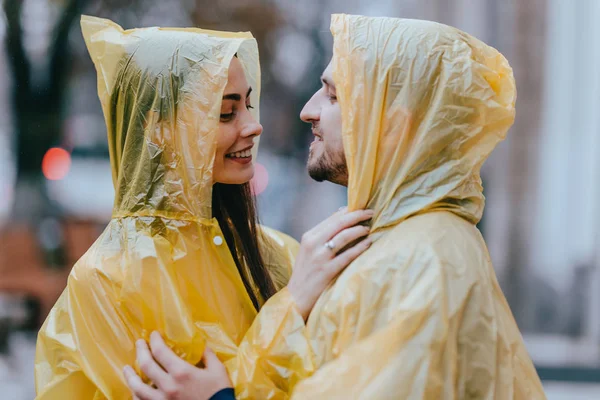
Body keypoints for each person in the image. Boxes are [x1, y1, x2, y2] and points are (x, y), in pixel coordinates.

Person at [126, 14, 547, 400]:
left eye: (332, 96)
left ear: (393, 125)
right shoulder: (395, 243)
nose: (308, 111)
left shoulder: (421, 262)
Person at [34, 16, 372, 400]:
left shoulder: (281, 254)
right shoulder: (108, 280)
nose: (254, 125)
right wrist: (290, 309)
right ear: (158, 127)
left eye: (248, 104)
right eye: (226, 112)